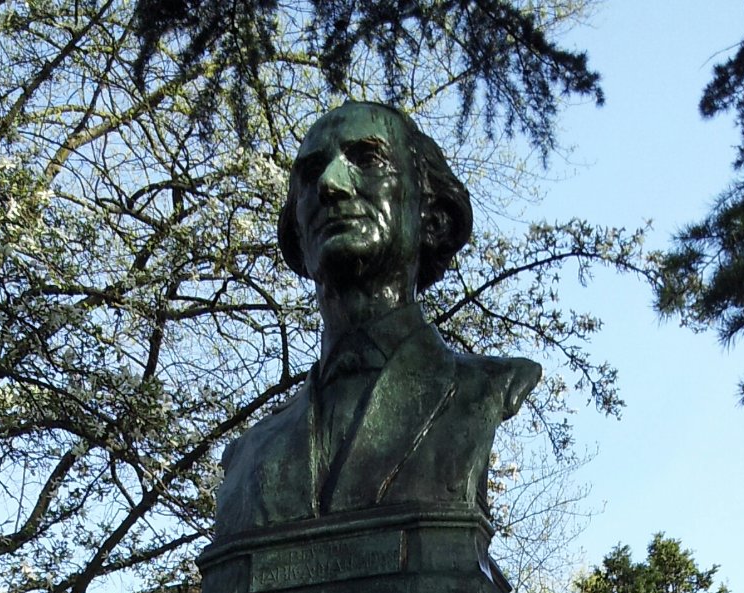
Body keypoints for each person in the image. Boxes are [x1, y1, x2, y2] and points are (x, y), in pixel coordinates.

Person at [213, 100, 541, 538]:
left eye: (367, 159)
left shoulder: (484, 390)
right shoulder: (251, 455)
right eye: (311, 175)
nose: (330, 183)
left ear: (434, 218)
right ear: (297, 232)